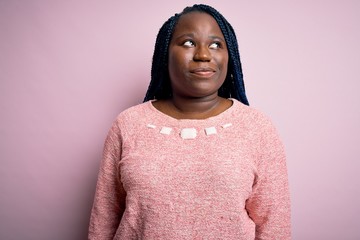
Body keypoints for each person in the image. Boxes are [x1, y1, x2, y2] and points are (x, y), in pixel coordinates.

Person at [88, 4, 291, 240]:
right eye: (188, 43)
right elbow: (103, 221)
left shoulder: (257, 128)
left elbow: (274, 227)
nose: (203, 55)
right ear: (165, 54)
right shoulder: (128, 124)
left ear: (229, 56)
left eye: (216, 45)